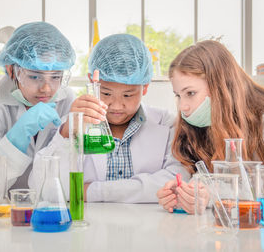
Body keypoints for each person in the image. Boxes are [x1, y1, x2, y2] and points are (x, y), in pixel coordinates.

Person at [29, 34, 190, 203]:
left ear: (145, 87)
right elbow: (41, 186)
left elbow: (177, 182)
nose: (116, 106)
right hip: (93, 227)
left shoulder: (167, 124)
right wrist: (67, 133)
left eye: (128, 95)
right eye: (106, 93)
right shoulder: (73, 124)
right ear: (93, 81)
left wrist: (91, 191)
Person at [157, 40, 264, 213]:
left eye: (190, 93)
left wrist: (209, 195)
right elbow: (201, 177)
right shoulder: (197, 125)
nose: (183, 106)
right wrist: (184, 195)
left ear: (220, 86)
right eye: (178, 95)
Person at [0, 22, 76, 201]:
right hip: (3, 213)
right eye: (35, 76)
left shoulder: (67, 100)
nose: (46, 88)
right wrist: (18, 135)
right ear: (12, 70)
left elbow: (69, 175)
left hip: (49, 209)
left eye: (56, 77)